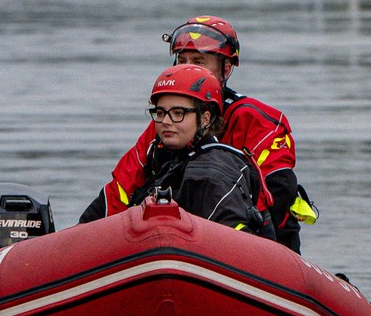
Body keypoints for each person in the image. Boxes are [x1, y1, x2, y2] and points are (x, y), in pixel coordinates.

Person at [81, 15, 316, 251]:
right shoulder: (165, 124)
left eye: (198, 62)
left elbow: (277, 201)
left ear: (225, 69)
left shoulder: (258, 122)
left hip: (253, 245)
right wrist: (80, 241)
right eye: (181, 60)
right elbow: (120, 190)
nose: (188, 68)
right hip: (175, 241)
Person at [86, 64, 273, 237]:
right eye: (160, 113)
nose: (165, 121)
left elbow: (233, 242)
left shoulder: (214, 171)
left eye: (178, 113)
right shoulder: (163, 159)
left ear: (205, 118)